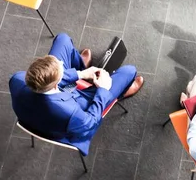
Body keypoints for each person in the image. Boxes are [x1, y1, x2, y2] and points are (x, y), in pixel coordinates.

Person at [9, 33, 144, 155]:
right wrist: (103, 90)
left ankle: (80, 65)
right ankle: (119, 93)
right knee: (129, 71)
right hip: (73, 106)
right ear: (56, 83)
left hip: (41, 105)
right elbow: (90, 123)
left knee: (63, 39)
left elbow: (53, 83)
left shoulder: (17, 79)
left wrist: (81, 74)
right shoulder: (71, 113)